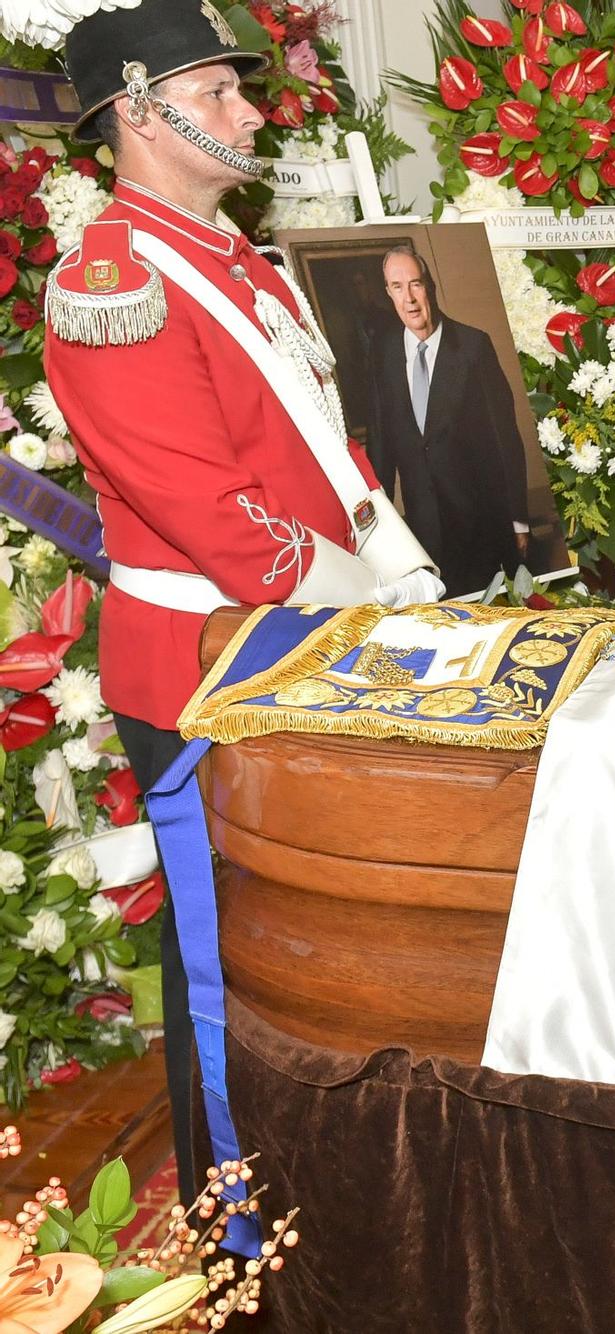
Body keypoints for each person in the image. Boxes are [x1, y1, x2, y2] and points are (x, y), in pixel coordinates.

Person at [40, 0, 441, 1204]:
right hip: (212, 663)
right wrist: (360, 593)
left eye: (239, 89)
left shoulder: (232, 254)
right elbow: (215, 514)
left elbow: (319, 448)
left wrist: (401, 563)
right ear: (135, 112)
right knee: (222, 969)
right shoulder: (110, 277)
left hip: (298, 638)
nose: (248, 112)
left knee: (315, 941)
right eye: (215, 94)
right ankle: (238, 1212)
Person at [365, 243, 531, 596]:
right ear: (388, 294)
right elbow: (381, 443)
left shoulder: (473, 346)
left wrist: (517, 518)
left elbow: (505, 438)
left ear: (430, 286)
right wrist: (378, 528)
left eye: (415, 284)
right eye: (398, 287)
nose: (409, 298)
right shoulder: (383, 354)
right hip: (422, 533)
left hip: (481, 524)